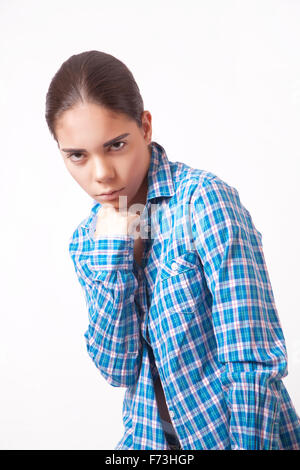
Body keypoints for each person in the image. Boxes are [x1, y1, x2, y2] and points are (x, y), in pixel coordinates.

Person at [45, 50, 300, 450]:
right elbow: (118, 369)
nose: (101, 174)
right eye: (77, 155)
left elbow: (252, 361)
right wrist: (113, 258)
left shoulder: (203, 202)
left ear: (145, 127)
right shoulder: (86, 242)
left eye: (115, 145)